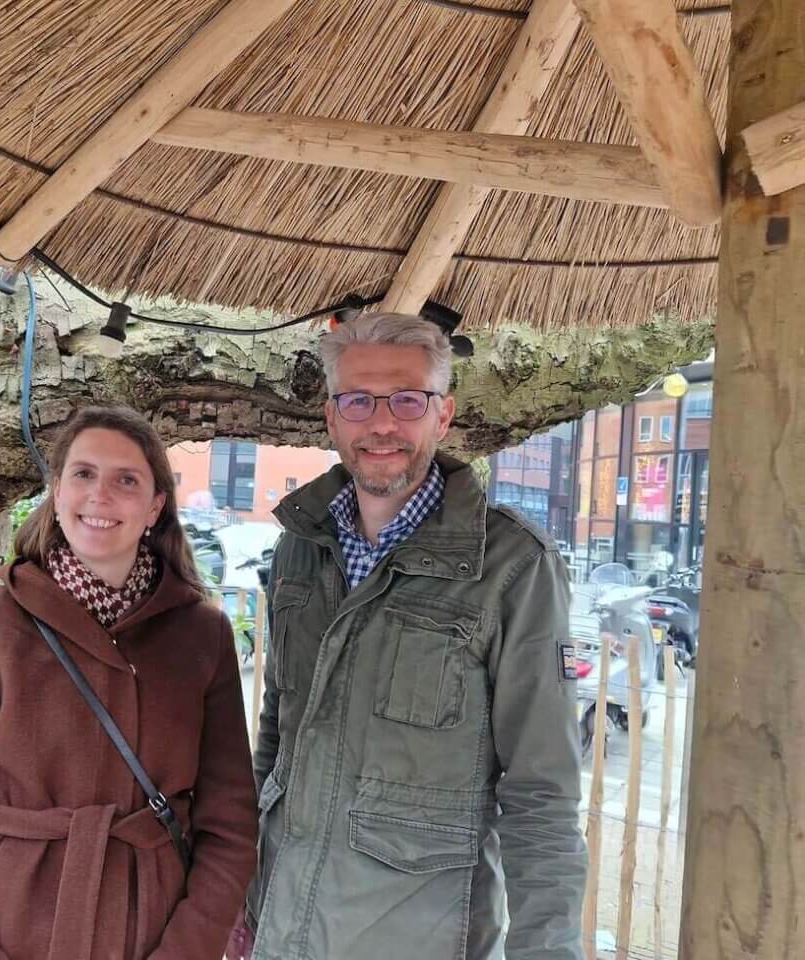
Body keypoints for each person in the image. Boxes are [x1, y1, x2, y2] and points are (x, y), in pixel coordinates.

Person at [232, 313, 586, 960]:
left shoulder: (514, 568)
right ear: (333, 417)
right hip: (277, 929)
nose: (383, 423)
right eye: (359, 400)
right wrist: (242, 892)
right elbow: (279, 737)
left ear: (442, 416)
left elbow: (543, 795)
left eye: (407, 400)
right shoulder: (300, 548)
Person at [0, 405, 258, 960]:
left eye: (126, 480)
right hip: (10, 922)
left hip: (149, 928)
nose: (100, 495)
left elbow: (230, 826)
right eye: (84, 474)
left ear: (155, 506)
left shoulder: (201, 633)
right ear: (57, 491)